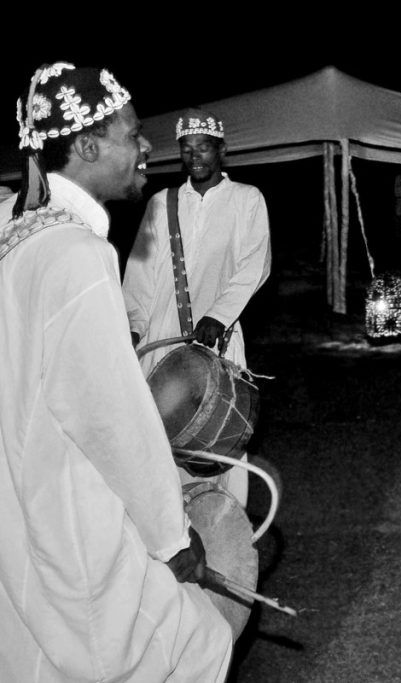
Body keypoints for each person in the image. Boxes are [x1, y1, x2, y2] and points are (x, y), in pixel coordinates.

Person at [0, 62, 232, 682]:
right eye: (131, 134)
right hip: (68, 515)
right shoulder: (75, 255)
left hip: (15, 508)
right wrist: (172, 537)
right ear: (87, 147)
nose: (146, 146)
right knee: (197, 646)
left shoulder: (13, 232)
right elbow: (112, 420)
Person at [123, 107, 271, 506]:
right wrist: (133, 327)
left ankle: (225, 525)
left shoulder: (247, 199)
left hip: (219, 336)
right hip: (162, 337)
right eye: (187, 149)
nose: (195, 156)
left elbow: (255, 265)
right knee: (160, 438)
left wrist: (219, 315)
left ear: (221, 150)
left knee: (220, 438)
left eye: (203, 147)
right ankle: (170, 527)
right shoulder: (162, 203)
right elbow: (139, 272)